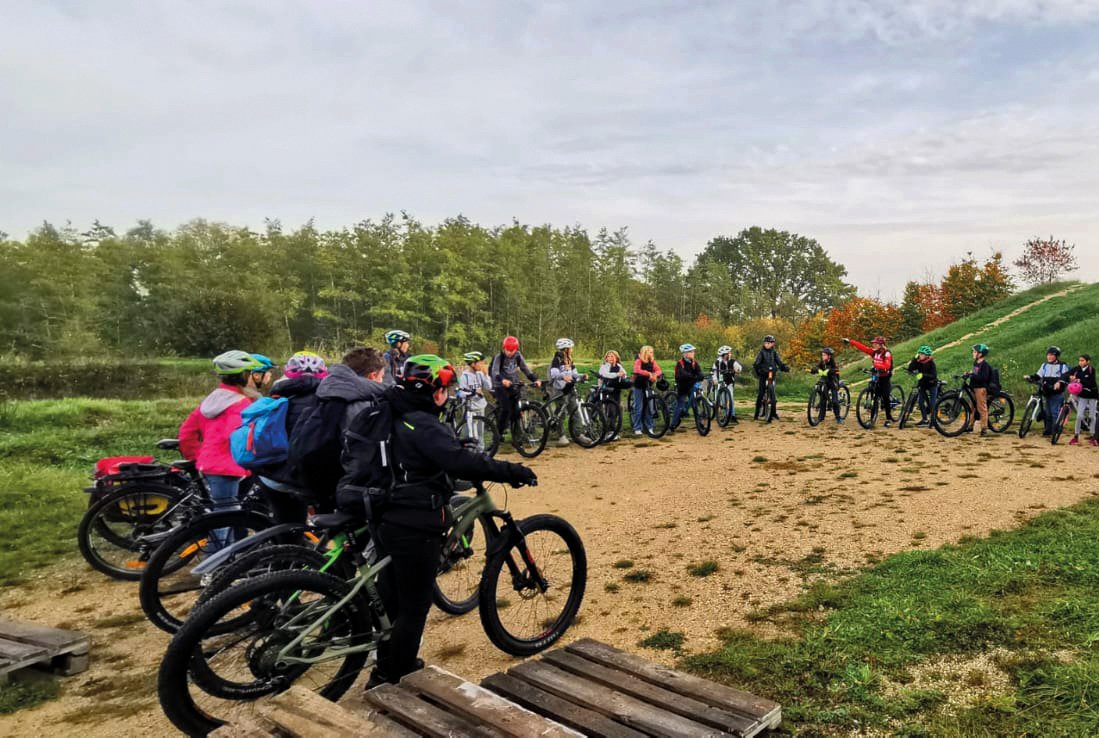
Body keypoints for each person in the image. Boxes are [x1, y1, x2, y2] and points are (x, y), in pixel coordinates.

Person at [364, 355, 538, 687]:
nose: (449, 394)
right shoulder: (424, 423)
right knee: (414, 608)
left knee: (392, 602)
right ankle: (393, 678)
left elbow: (430, 454)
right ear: (437, 391)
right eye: (447, 388)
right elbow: (460, 463)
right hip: (414, 523)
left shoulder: (393, 413)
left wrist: (450, 447)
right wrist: (512, 471)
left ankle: (383, 666)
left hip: (384, 516)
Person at [178, 350, 261, 548]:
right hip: (228, 466)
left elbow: (186, 432)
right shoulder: (240, 403)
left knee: (231, 513)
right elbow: (239, 436)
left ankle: (236, 558)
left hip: (212, 464)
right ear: (244, 376)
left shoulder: (212, 400)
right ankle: (215, 567)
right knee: (224, 518)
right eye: (251, 374)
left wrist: (198, 457)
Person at [257, 351, 330, 523]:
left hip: (269, 475)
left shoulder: (276, 398)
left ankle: (282, 547)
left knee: (287, 525)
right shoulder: (326, 402)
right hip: (301, 478)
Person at [489, 336, 541, 437]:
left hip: (513, 384)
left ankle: (517, 437)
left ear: (516, 349)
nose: (509, 352)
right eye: (507, 350)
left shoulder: (518, 356)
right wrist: (503, 380)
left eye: (512, 350)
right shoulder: (499, 357)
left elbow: (525, 369)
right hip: (499, 385)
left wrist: (535, 379)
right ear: (504, 348)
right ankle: (497, 436)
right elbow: (494, 372)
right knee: (506, 409)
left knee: (516, 411)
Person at [844, 335, 895, 426]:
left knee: (885, 397)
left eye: (876, 344)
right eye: (873, 343)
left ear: (881, 344)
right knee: (875, 396)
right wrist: (850, 341)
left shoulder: (886, 353)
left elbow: (887, 366)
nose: (874, 345)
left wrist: (878, 367)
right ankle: (872, 419)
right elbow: (863, 347)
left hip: (884, 376)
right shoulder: (874, 352)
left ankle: (888, 418)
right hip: (876, 375)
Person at [1025, 346, 1069, 436]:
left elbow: (1065, 376)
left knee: (1054, 412)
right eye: (1048, 355)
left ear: (1056, 356)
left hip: (1057, 392)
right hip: (1046, 391)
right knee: (1048, 413)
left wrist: (1060, 382)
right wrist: (1031, 377)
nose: (1049, 357)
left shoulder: (1062, 366)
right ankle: (1048, 430)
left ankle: (1055, 430)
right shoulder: (1044, 365)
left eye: (1052, 355)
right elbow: (1038, 375)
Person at [457, 351, 494, 448]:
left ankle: (481, 452)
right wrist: (473, 392)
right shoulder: (464, 377)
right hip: (469, 408)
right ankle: (468, 452)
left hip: (480, 407)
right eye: (480, 362)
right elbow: (460, 393)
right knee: (468, 433)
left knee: (480, 432)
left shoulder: (480, 374)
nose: (482, 365)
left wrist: (486, 375)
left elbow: (489, 387)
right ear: (473, 363)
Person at [753, 335, 789, 421]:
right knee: (761, 393)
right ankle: (757, 413)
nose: (766, 344)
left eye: (768, 343)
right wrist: (758, 369)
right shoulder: (761, 352)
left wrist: (784, 367)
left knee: (772, 394)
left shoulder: (774, 353)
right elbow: (757, 362)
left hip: (772, 374)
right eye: (765, 343)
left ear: (772, 344)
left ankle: (773, 413)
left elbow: (779, 362)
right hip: (763, 374)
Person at [1064, 354, 1098, 446]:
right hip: (1082, 395)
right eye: (1079, 360)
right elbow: (1066, 374)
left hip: (1092, 395)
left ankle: (1093, 437)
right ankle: (1076, 437)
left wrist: (1079, 380)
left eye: (1082, 360)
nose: (1080, 362)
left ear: (1088, 361)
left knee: (1092, 416)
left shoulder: (1091, 370)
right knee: (1079, 416)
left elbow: (1090, 382)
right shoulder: (1077, 369)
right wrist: (1069, 377)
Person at [631, 345, 664, 436]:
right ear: (645, 352)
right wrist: (648, 373)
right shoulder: (638, 361)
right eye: (650, 352)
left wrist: (654, 375)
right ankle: (637, 428)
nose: (652, 353)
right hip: (639, 386)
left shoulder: (652, 361)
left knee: (649, 408)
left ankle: (649, 427)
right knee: (639, 407)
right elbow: (637, 370)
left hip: (648, 386)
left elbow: (659, 370)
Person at [670, 344, 703, 430]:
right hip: (682, 386)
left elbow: (699, 372)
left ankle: (700, 423)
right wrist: (692, 376)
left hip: (691, 385)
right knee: (680, 404)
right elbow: (682, 373)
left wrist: (701, 376)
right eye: (691, 352)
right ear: (685, 354)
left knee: (695, 404)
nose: (693, 353)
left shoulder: (694, 363)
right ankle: (673, 423)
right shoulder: (680, 363)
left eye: (693, 351)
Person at [906, 345, 939, 427]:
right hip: (923, 384)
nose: (920, 355)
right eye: (919, 353)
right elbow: (910, 368)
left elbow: (933, 375)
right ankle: (925, 419)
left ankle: (933, 421)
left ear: (927, 355)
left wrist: (923, 375)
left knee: (932, 403)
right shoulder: (918, 362)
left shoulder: (931, 363)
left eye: (922, 354)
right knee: (920, 402)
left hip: (932, 384)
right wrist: (914, 358)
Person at [711, 345, 742, 423]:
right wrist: (714, 379)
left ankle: (732, 415)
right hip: (720, 382)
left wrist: (738, 369)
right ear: (724, 355)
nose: (730, 354)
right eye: (728, 353)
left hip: (729, 382)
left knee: (730, 398)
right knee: (722, 400)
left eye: (730, 353)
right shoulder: (717, 362)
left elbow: (738, 367)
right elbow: (713, 372)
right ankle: (724, 415)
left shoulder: (732, 361)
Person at [814, 347, 844, 424]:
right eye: (822, 355)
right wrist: (816, 370)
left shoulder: (833, 363)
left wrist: (830, 371)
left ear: (829, 356)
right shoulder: (822, 362)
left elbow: (835, 369)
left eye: (824, 355)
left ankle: (838, 417)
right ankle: (821, 417)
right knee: (823, 399)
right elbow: (816, 367)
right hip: (825, 381)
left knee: (834, 401)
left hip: (833, 381)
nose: (822, 356)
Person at [968, 343, 992, 436]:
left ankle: (984, 428)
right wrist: (969, 373)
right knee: (972, 407)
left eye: (974, 352)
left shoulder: (984, 365)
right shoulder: (976, 363)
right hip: (974, 387)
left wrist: (973, 375)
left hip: (980, 388)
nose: (973, 353)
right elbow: (975, 373)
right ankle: (970, 426)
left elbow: (983, 378)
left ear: (980, 354)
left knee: (982, 408)